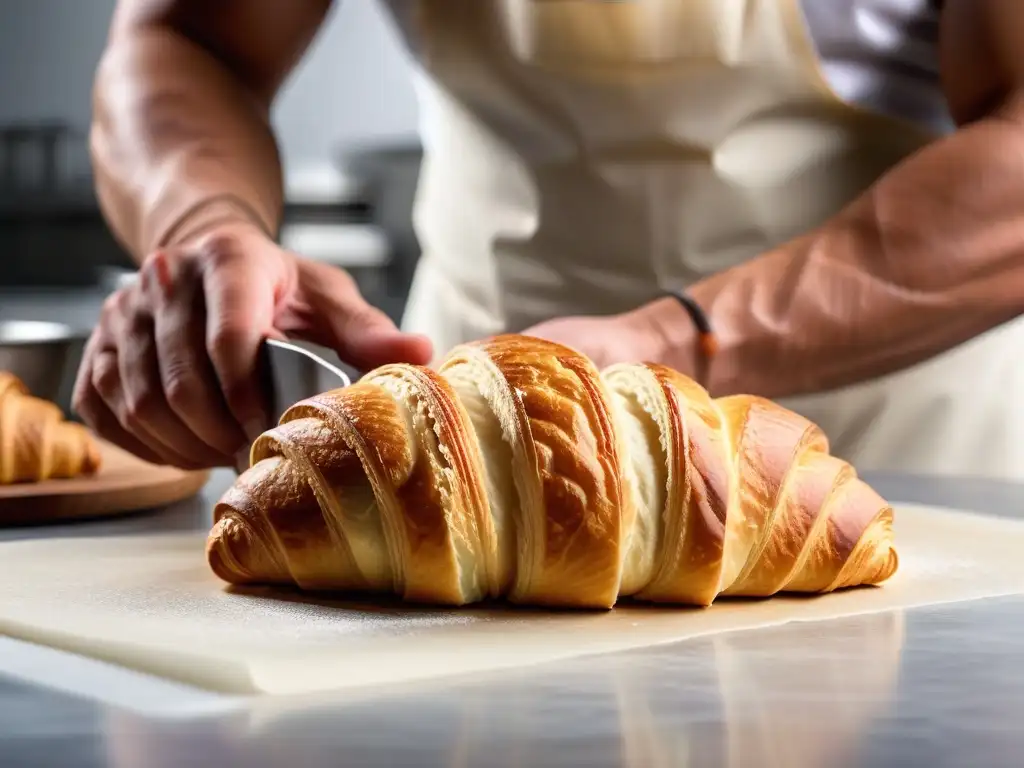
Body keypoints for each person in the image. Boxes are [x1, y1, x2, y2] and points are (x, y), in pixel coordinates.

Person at [76, 0, 1024, 480]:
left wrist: (666, 343)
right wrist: (203, 225)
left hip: (894, 457)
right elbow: (189, 39)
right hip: (469, 448)